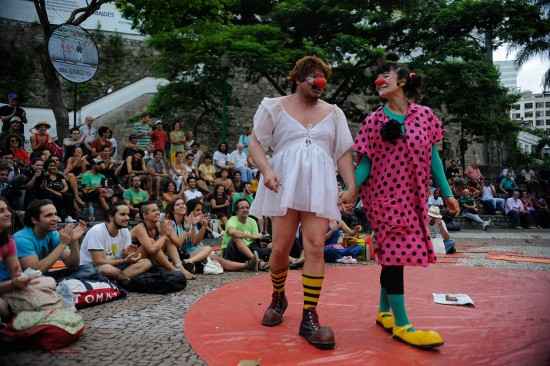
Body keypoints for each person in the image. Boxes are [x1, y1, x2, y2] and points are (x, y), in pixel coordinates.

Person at [351, 54, 460, 349]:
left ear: (401, 81)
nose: (380, 80)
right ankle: (402, 324)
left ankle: (384, 311)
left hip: (415, 199)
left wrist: (447, 192)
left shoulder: (424, 116)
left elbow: (434, 157)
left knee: (392, 255)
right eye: (378, 76)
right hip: (385, 199)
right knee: (396, 255)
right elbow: (365, 163)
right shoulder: (374, 121)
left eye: (386, 74)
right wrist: (351, 190)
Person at [248, 56, 356, 350]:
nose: (319, 81)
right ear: (298, 78)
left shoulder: (334, 113)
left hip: (319, 184)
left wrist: (351, 185)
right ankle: (278, 296)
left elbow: (343, 153)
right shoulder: (274, 106)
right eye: (312, 76)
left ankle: (309, 315)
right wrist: (267, 170)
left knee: (315, 246)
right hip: (283, 182)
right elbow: (255, 143)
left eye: (323, 77)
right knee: (281, 246)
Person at [15, 199, 87, 280]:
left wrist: (74, 241)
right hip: (25, 282)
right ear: (34, 220)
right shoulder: (22, 239)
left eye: (55, 214)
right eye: (49, 215)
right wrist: (63, 244)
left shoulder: (52, 233)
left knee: (87, 268)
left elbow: (73, 265)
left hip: (44, 276)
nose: (56, 219)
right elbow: (34, 272)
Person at [79, 204, 151, 282]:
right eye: (122, 214)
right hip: (92, 267)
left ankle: (118, 280)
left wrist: (130, 255)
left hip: (115, 265)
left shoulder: (125, 230)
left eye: (128, 215)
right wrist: (124, 261)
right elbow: (98, 261)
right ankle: (123, 279)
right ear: (111, 217)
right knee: (108, 269)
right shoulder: (97, 231)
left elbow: (124, 256)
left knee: (146, 262)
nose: (127, 218)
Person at [130, 202, 192, 278]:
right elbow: (151, 250)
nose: (158, 212)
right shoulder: (140, 228)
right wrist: (164, 235)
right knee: (153, 242)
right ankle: (173, 270)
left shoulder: (159, 224)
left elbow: (178, 244)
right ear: (145, 215)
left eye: (158, 210)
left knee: (168, 240)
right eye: (153, 211)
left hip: (151, 258)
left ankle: (180, 267)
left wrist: (170, 234)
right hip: (135, 260)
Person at [221, 199, 268, 271]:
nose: (245, 210)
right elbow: (232, 232)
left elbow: (255, 239)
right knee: (236, 238)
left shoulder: (252, 221)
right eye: (242, 208)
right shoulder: (232, 220)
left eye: (247, 207)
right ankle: (257, 262)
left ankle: (291, 261)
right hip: (232, 251)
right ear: (236, 211)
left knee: (272, 244)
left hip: (249, 248)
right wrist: (252, 236)